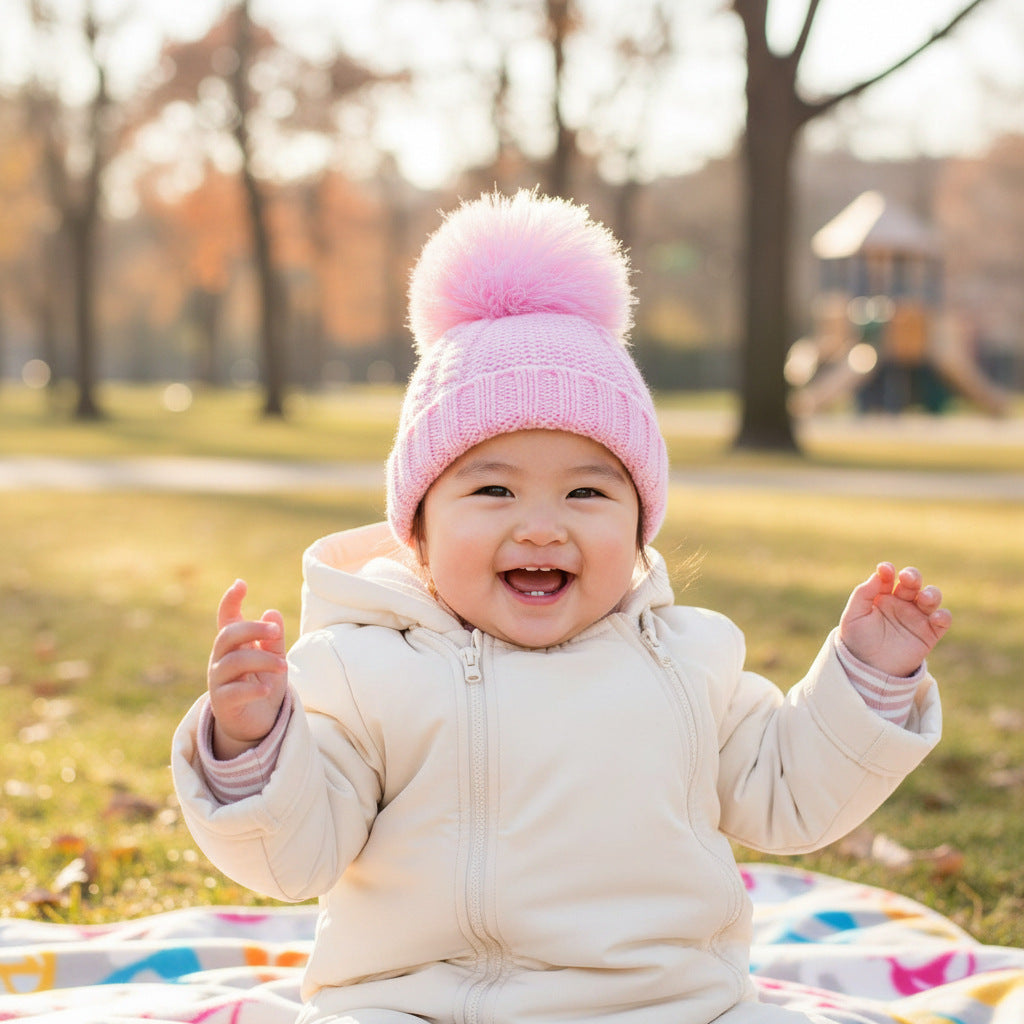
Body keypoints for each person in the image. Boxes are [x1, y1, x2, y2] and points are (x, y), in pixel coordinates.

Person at [172, 190, 950, 1024]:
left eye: (586, 492)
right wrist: (251, 744)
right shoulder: (364, 671)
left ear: (640, 528)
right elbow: (293, 859)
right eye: (494, 490)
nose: (541, 527)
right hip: (425, 1004)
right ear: (418, 532)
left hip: (670, 1005)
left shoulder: (690, 660)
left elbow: (791, 794)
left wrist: (869, 677)